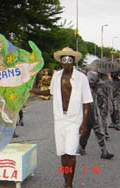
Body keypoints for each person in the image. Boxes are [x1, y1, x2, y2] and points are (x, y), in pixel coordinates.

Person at [31, 47, 93, 188]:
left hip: (74, 120)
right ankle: (66, 181)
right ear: (60, 61)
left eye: (69, 59)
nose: (67, 62)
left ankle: (69, 185)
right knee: (63, 153)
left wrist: (84, 123)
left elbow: (86, 102)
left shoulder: (81, 78)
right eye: (64, 59)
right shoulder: (57, 76)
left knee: (70, 153)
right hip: (59, 119)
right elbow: (51, 91)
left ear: (74, 61)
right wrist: (34, 91)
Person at [77, 70, 114, 159]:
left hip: (90, 113)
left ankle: (81, 148)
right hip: (90, 113)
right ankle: (103, 151)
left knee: (87, 131)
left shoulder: (92, 88)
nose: (98, 81)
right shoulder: (88, 90)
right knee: (97, 130)